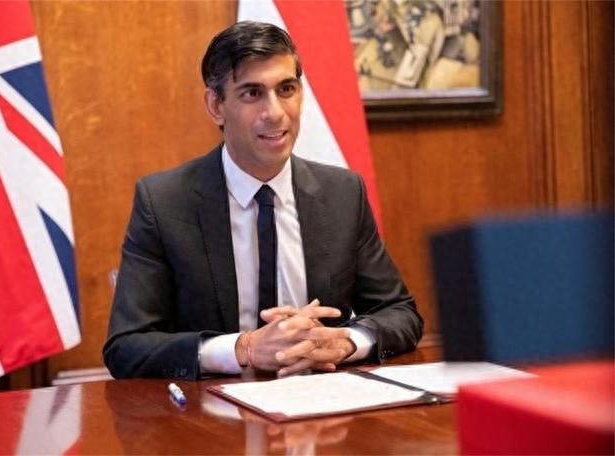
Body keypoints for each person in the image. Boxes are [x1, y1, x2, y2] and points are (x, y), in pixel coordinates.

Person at [103, 21, 422, 380]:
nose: (275, 112)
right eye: (252, 93)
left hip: (323, 403)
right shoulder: (164, 202)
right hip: (212, 410)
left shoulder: (343, 193)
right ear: (216, 105)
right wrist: (245, 348)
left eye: (286, 89)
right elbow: (126, 346)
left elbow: (400, 313)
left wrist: (346, 341)